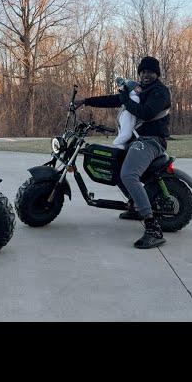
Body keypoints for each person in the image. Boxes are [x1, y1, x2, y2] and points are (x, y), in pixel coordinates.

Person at [75, 56, 171, 249]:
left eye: (150, 71)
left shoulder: (160, 92)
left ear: (156, 73)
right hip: (137, 140)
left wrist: (126, 98)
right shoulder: (139, 89)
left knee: (128, 174)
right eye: (142, 71)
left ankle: (153, 228)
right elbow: (113, 99)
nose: (145, 74)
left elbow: (146, 113)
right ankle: (135, 205)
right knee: (116, 167)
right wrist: (85, 101)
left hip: (151, 140)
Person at [112, 78, 142, 150]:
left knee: (124, 133)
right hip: (127, 117)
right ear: (132, 89)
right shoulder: (135, 98)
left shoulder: (130, 97)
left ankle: (121, 147)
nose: (140, 89)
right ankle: (117, 143)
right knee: (127, 135)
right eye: (137, 87)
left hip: (125, 117)